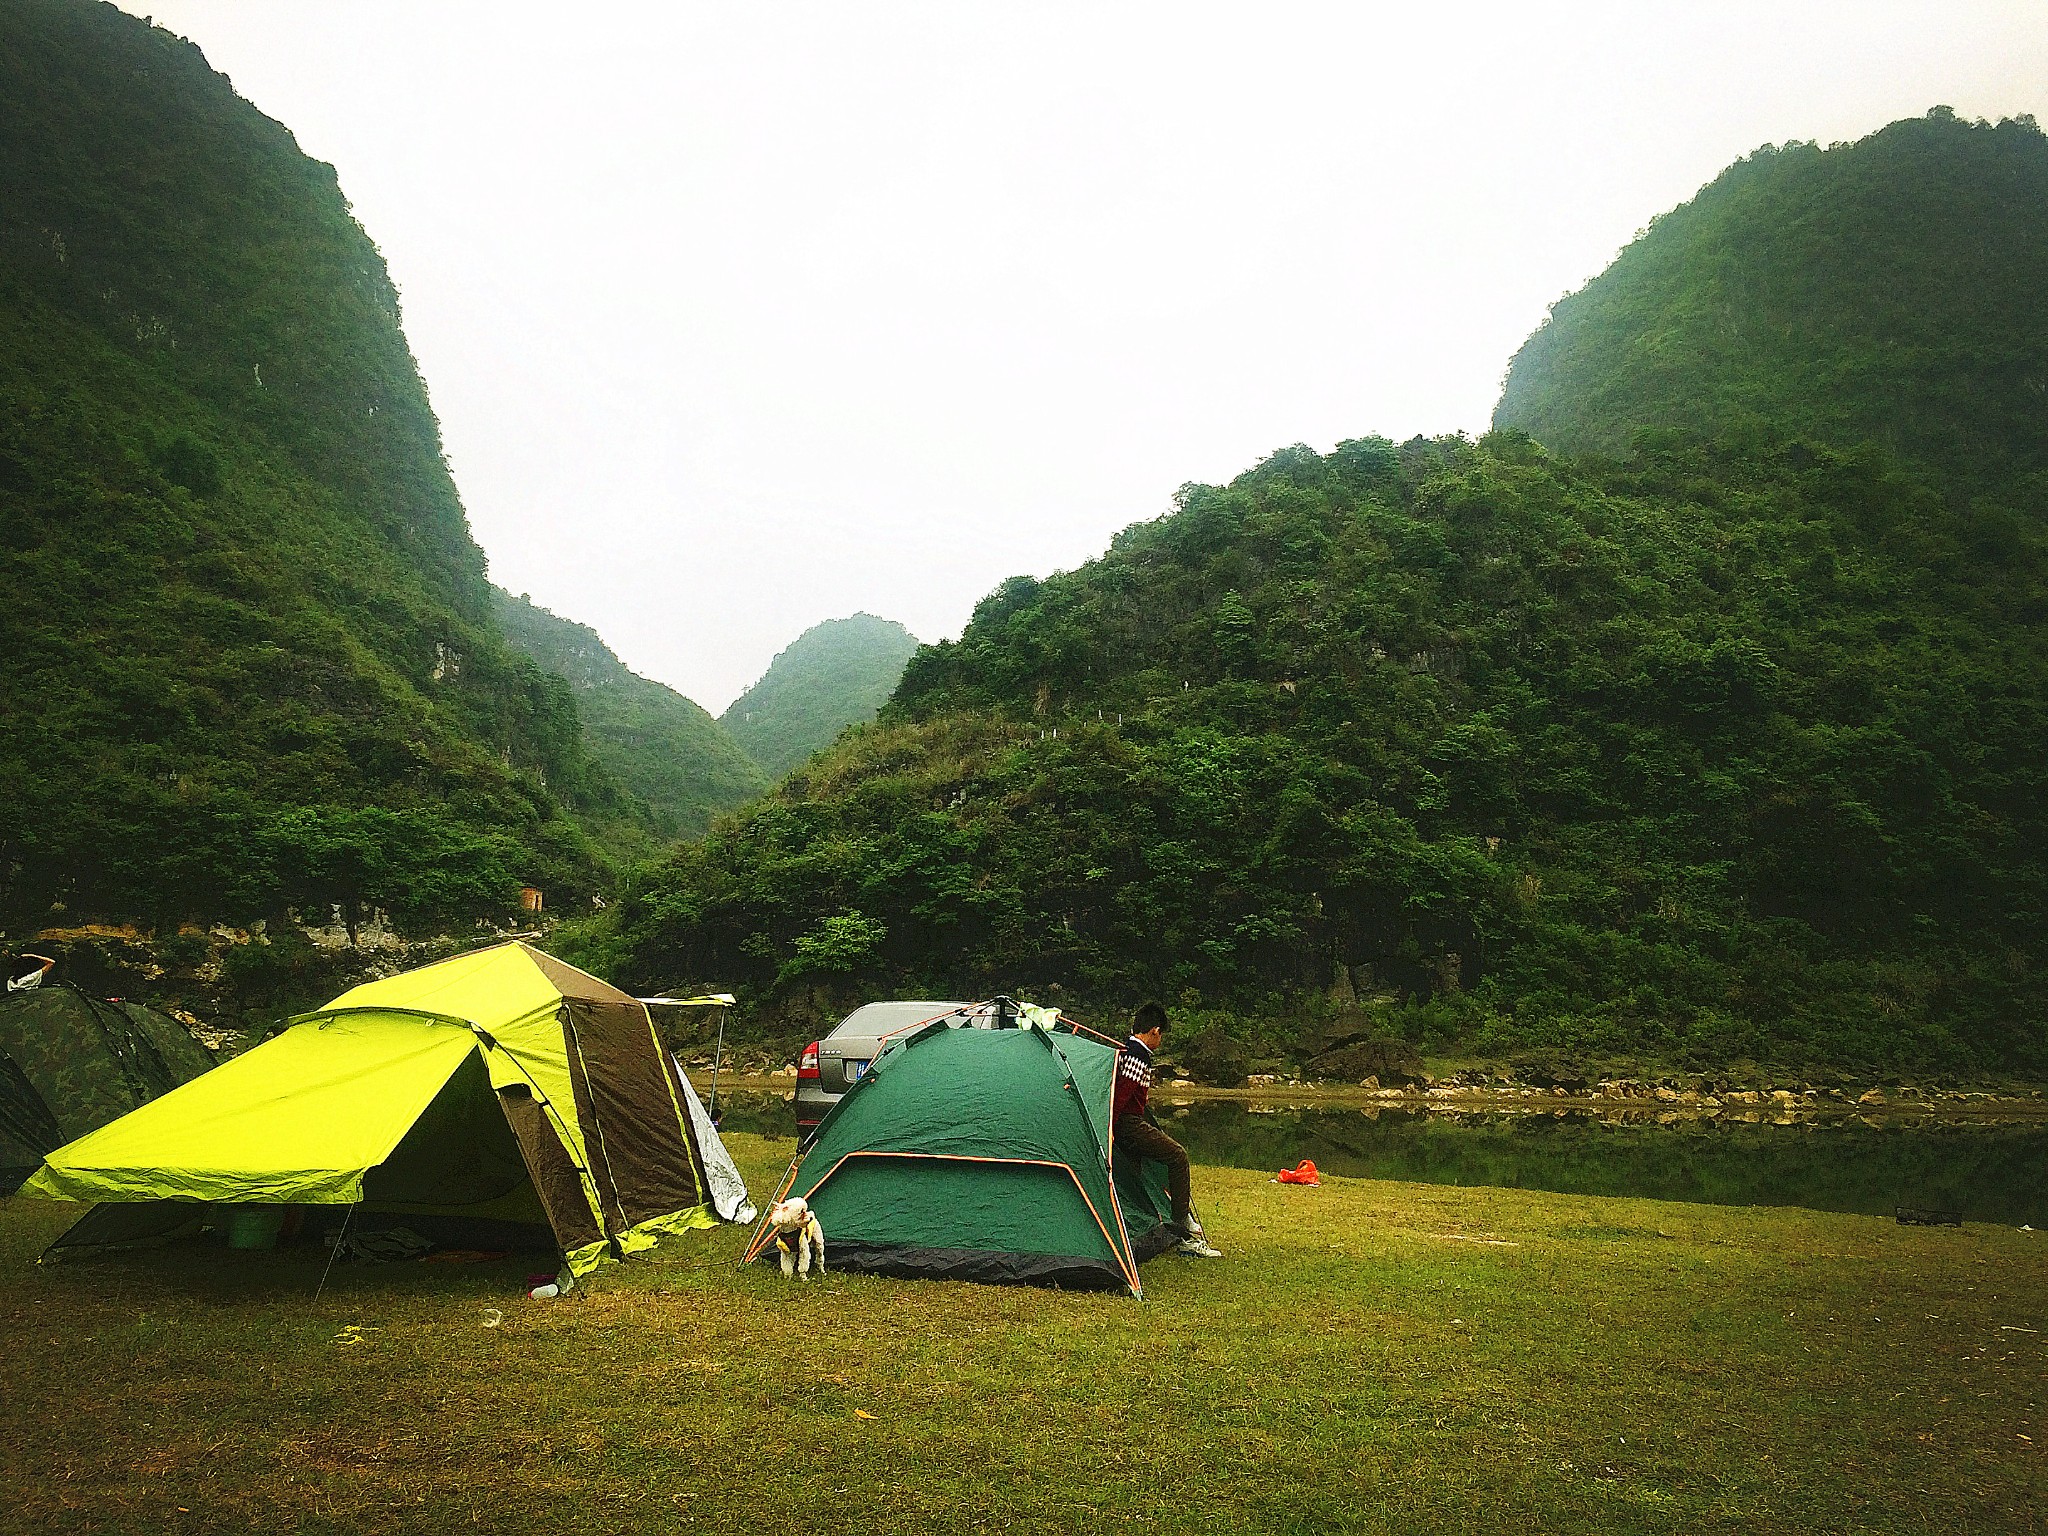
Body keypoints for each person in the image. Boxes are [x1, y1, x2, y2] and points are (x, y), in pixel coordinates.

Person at [1113, 1001, 1222, 1258]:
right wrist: (1110, 1130)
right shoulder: (1137, 1056)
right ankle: (1182, 1228)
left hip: (1126, 1123)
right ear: (1154, 1031)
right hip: (1128, 1124)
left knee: (1140, 1173)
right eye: (1161, 1036)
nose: (1160, 1041)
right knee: (1177, 1155)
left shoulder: (1124, 1050)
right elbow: (1121, 1096)